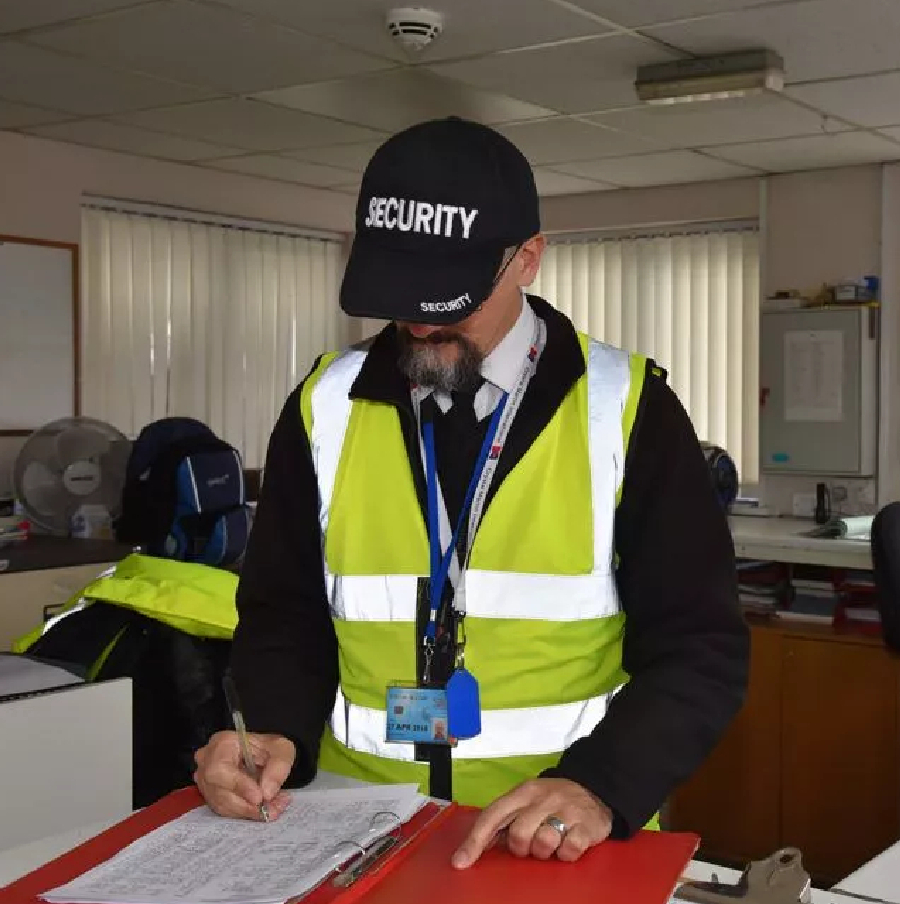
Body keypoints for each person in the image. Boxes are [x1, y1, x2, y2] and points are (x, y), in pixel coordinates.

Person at [194, 116, 749, 868]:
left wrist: (599, 785)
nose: (419, 321)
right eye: (399, 293)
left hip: (556, 843)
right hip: (355, 836)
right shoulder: (323, 406)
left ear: (527, 260)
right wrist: (270, 731)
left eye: (445, 298)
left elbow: (700, 648)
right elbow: (282, 616)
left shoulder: (628, 410)